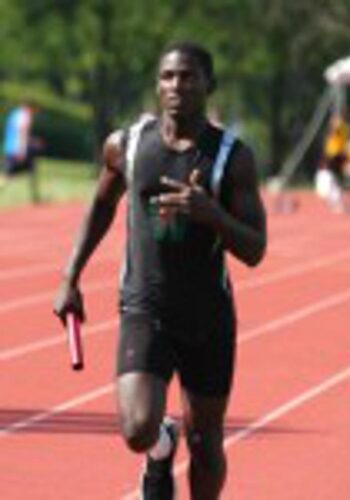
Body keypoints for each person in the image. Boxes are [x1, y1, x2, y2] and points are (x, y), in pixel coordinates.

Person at [53, 41, 267, 499]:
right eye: (168, 76)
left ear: (209, 84)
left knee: (206, 443)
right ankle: (159, 448)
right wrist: (70, 277)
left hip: (208, 316)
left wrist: (212, 214)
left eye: (188, 76)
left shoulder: (232, 158)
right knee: (137, 429)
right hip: (144, 306)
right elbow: (101, 205)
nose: (177, 85)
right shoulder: (126, 145)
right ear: (157, 84)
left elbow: (255, 249)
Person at [1, 102, 42, 201]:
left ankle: (35, 196)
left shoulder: (15, 114)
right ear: (30, 108)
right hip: (17, 149)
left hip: (10, 147)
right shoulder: (25, 116)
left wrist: (31, 140)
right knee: (8, 174)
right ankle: (35, 196)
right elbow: (22, 132)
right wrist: (22, 150)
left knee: (31, 168)